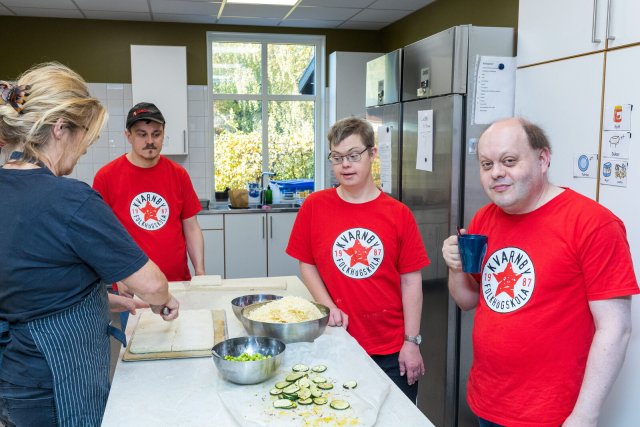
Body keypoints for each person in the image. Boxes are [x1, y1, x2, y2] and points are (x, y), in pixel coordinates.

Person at [0, 62, 180, 427]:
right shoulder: (68, 199)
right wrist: (164, 300)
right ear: (60, 128)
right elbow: (153, 284)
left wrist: (104, 298)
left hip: (15, 377)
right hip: (56, 379)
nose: (82, 151)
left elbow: (32, 280)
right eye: (83, 137)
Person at [442, 117, 639, 427]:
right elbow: (468, 301)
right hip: (487, 401)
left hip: (552, 414)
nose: (497, 173)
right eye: (486, 164)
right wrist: (455, 268)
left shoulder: (593, 224)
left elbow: (615, 328)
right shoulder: (484, 219)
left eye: (509, 160)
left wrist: (585, 415)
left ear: (543, 159)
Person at [286, 117, 430, 402]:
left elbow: (411, 280)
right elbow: (307, 262)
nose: (345, 165)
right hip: (335, 341)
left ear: (372, 154)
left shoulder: (398, 214)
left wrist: (411, 342)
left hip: (390, 349)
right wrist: (327, 305)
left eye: (353, 155)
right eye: (337, 157)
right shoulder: (315, 206)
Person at [93, 102, 205, 285]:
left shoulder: (179, 174)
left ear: (163, 134)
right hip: (132, 287)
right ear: (128, 136)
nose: (150, 141)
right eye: (142, 134)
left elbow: (191, 227)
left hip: (177, 284)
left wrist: (200, 272)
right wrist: (117, 278)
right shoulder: (106, 177)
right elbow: (100, 236)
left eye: (156, 134)